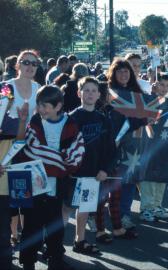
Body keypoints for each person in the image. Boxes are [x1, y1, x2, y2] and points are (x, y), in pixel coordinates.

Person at [19, 85, 84, 270]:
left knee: (55, 226)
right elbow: (29, 149)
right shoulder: (34, 121)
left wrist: (56, 160)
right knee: (31, 226)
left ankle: (55, 259)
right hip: (35, 184)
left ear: (58, 106)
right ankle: (28, 262)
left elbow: (76, 151)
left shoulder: (70, 124)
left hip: (57, 185)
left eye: (45, 105)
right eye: (39, 105)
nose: (41, 109)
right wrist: (56, 158)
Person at [1, 50, 41, 251]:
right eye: (25, 62)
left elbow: (41, 120)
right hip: (6, 149)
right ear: (17, 65)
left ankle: (26, 240)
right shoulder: (6, 87)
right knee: (7, 197)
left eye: (34, 63)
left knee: (25, 196)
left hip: (28, 150)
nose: (30, 66)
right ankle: (9, 237)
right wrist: (20, 123)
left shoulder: (38, 88)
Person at [107, 58, 143, 230]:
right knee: (110, 180)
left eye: (126, 71)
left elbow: (142, 118)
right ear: (113, 73)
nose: (123, 74)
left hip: (131, 145)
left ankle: (124, 215)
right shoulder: (108, 93)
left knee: (128, 181)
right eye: (120, 71)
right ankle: (102, 216)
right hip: (111, 144)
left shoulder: (137, 93)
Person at [0, 89, 29, 270]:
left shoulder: (12, 122)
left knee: (3, 229)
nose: (4, 103)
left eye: (7, 100)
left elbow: (19, 142)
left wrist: (23, 120)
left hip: (3, 187)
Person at [139, 74, 168, 222]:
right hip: (148, 145)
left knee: (161, 176)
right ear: (154, 85)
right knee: (148, 177)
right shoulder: (148, 100)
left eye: (167, 85)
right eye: (161, 85)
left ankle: (157, 205)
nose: (164, 88)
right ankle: (146, 208)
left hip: (164, 146)